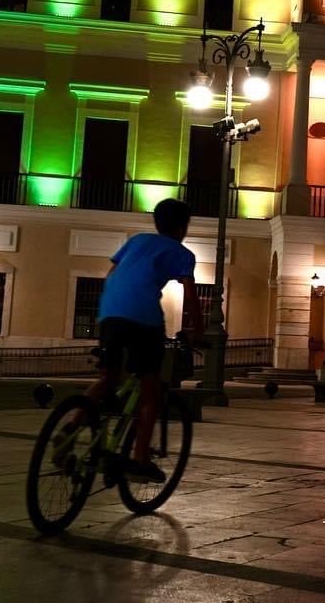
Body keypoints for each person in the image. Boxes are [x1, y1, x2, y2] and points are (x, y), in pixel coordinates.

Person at [68, 198, 199, 483]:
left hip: (110, 312)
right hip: (143, 318)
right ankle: (139, 460)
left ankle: (72, 425)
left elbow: (112, 274)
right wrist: (196, 330)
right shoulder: (182, 253)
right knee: (150, 389)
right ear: (183, 226)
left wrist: (110, 310)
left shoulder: (137, 240)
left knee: (109, 377)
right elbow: (190, 297)